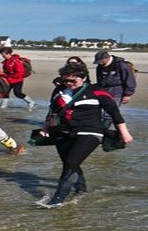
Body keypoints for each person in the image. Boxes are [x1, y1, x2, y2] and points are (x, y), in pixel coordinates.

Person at [36, 62, 133, 206]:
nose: (69, 83)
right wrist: (45, 128)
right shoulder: (59, 92)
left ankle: (57, 199)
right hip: (63, 132)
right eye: (65, 80)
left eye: (73, 80)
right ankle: (81, 189)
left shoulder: (96, 91)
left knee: (72, 162)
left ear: (83, 78)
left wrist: (124, 133)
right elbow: (52, 112)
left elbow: (114, 112)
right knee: (69, 163)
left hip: (90, 131)